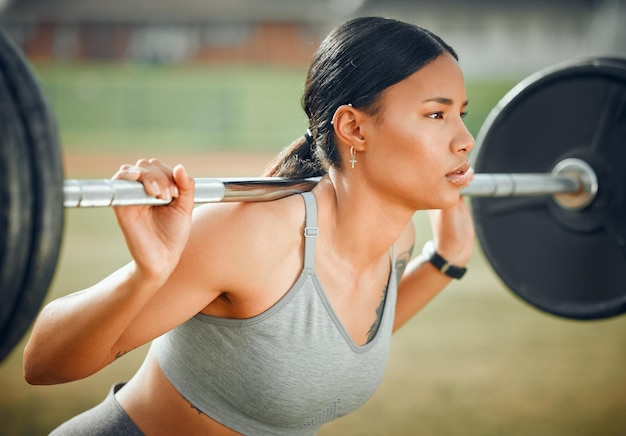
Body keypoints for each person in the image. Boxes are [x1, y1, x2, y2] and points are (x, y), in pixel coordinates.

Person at [24, 16, 475, 435]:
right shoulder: (252, 236)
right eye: (436, 115)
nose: (465, 140)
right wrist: (146, 274)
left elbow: (323, 345)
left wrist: (445, 259)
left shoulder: (398, 239)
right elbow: (43, 364)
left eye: (462, 114)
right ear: (354, 129)